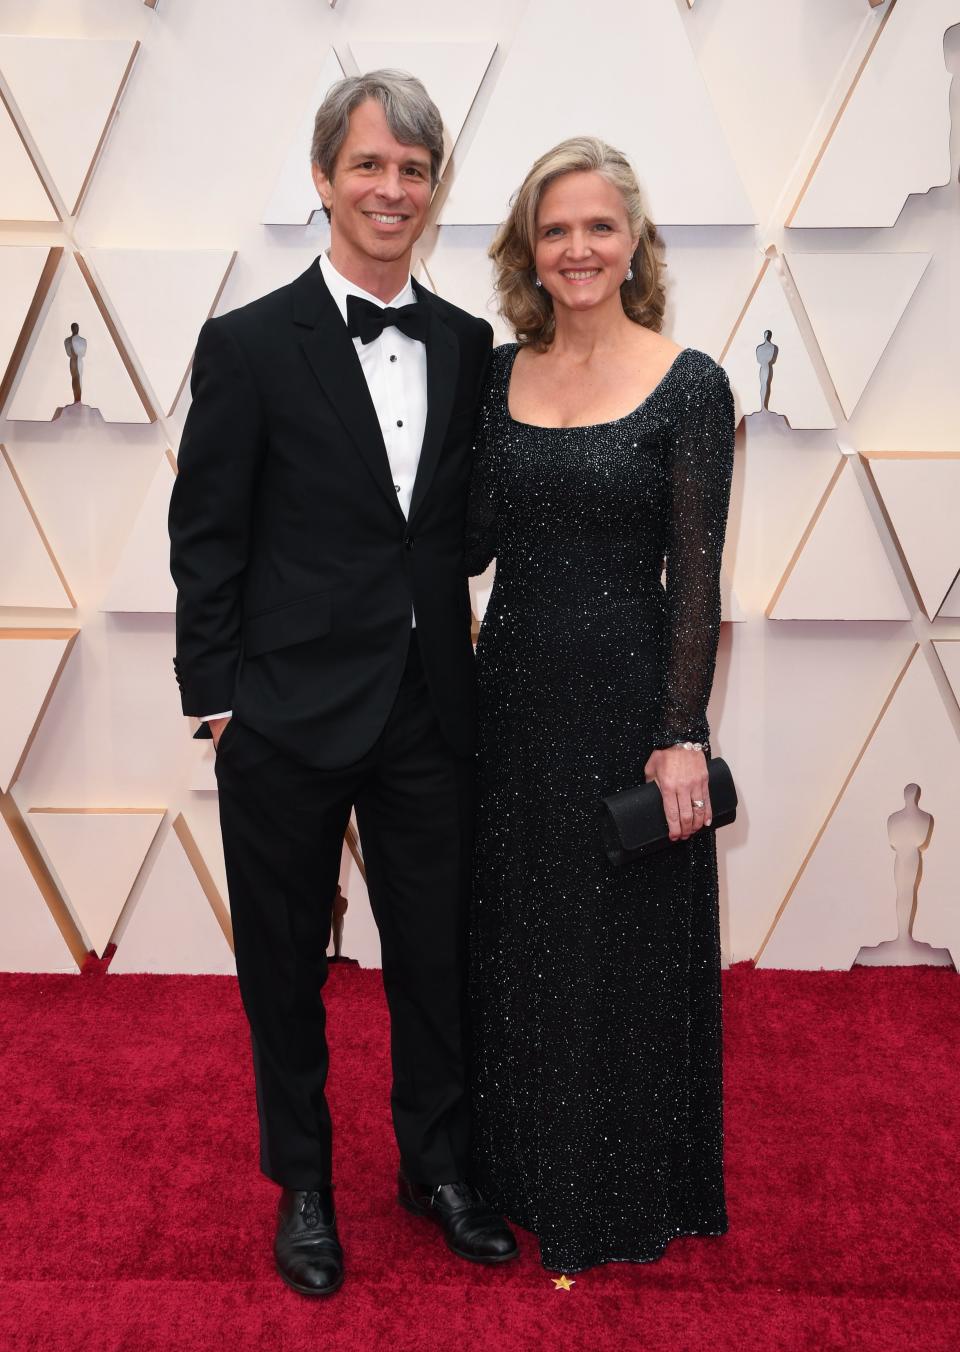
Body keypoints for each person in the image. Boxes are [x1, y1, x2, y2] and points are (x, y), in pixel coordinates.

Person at [169, 69, 517, 1299]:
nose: (391, 187)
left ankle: (438, 1164)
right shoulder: (250, 342)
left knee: (437, 949)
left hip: (430, 703)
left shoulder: (471, 346)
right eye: (369, 164)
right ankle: (304, 1181)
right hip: (281, 711)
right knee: (283, 962)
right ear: (324, 178)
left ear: (434, 191)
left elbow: (460, 529)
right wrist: (214, 696)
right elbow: (207, 531)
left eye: (413, 169)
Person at [466, 137, 735, 1273]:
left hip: (629, 703)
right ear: (532, 246)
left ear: (634, 242)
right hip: (510, 701)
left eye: (598, 226)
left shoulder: (691, 383)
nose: (577, 248)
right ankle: (518, 1172)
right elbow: (468, 540)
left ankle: (622, 1186)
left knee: (619, 954)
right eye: (555, 227)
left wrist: (681, 734)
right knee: (517, 942)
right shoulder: (493, 375)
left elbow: (697, 576)